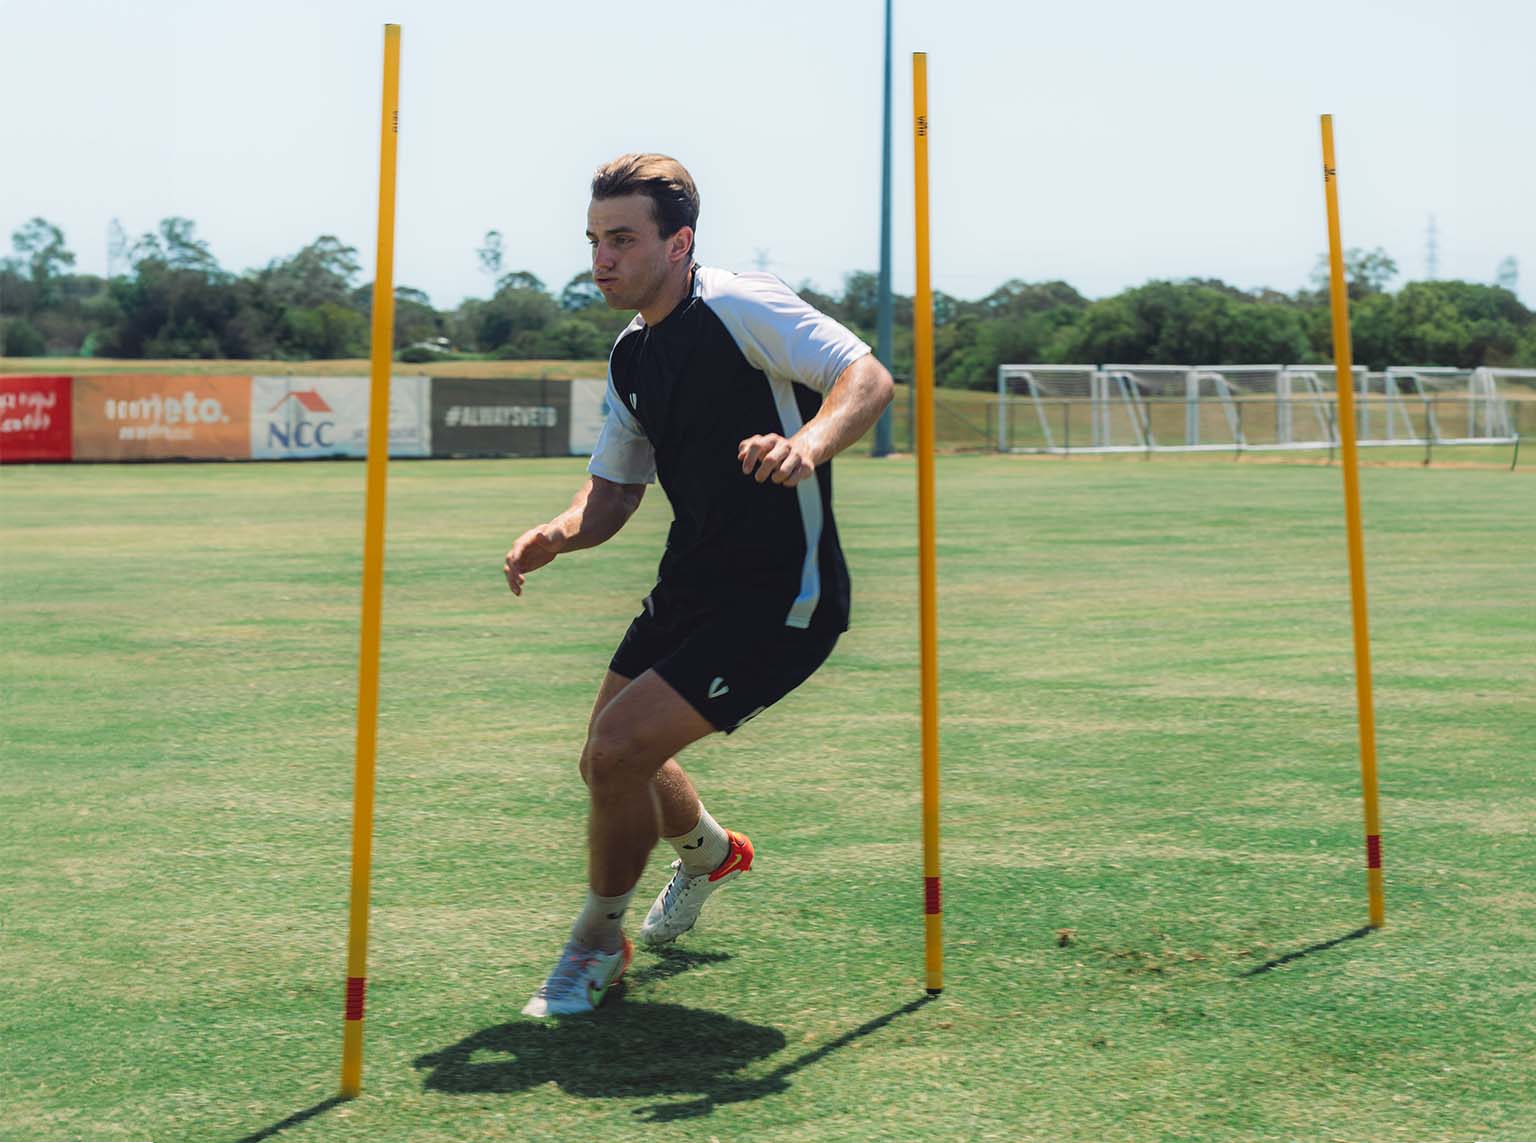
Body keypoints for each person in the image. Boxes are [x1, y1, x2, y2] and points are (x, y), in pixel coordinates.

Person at [505, 153, 893, 1016]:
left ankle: (595, 943)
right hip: (691, 584)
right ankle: (711, 853)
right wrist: (560, 535)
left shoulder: (740, 304)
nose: (601, 258)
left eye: (622, 239)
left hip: (781, 597)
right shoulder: (631, 354)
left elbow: (865, 377)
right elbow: (612, 493)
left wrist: (809, 445)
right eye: (594, 240)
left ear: (679, 243)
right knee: (607, 759)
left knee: (618, 751)